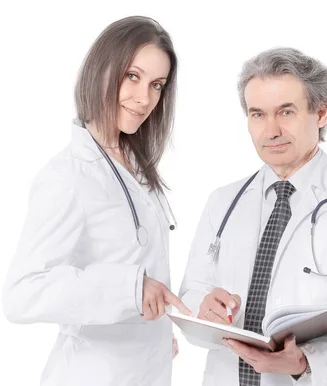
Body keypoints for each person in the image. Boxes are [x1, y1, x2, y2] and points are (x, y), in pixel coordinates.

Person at [179, 47, 327, 385]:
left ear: (321, 113)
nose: (271, 131)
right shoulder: (222, 202)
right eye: (257, 114)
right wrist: (202, 308)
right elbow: (191, 293)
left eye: (286, 112)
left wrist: (306, 361)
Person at [2, 16, 191, 386]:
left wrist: (152, 336)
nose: (144, 99)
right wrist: (129, 289)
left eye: (157, 85)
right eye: (132, 77)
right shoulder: (68, 175)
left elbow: (134, 262)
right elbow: (21, 294)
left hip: (145, 368)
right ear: (101, 69)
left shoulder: (136, 165)